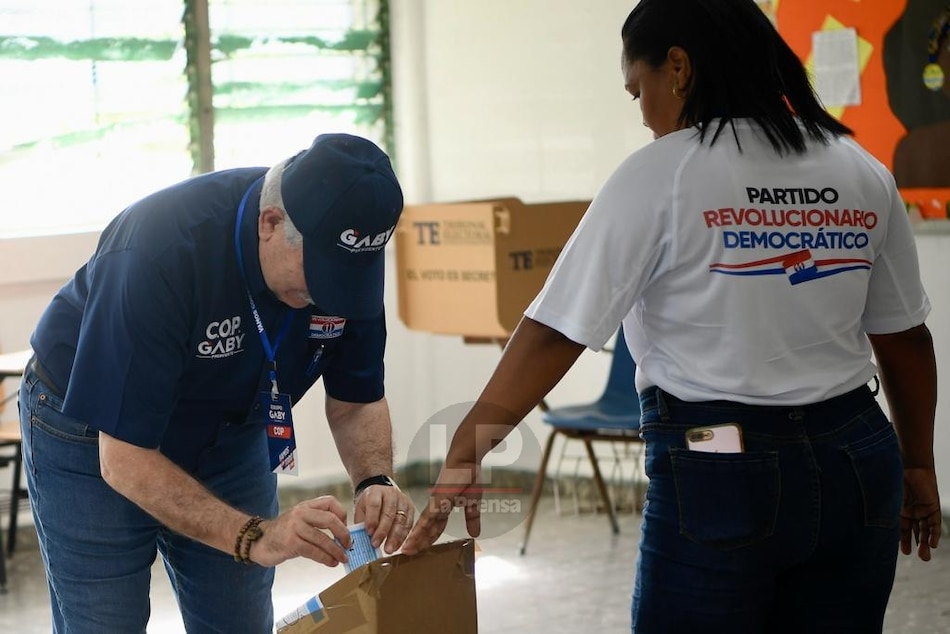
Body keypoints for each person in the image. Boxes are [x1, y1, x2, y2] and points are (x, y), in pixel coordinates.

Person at [403, 1, 941, 632]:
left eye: (639, 90)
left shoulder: (661, 174)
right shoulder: (862, 171)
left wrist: (466, 451)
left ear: (678, 69)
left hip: (720, 465)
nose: (643, 114)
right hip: (859, 457)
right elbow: (904, 339)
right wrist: (917, 463)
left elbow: (556, 332)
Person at [19, 132, 416, 633]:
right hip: (91, 432)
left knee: (239, 622)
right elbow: (124, 459)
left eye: (345, 279)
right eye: (319, 274)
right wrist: (257, 535)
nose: (327, 295)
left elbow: (357, 400)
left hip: (229, 432)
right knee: (104, 622)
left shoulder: (347, 269)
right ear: (270, 223)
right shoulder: (159, 249)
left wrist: (374, 478)